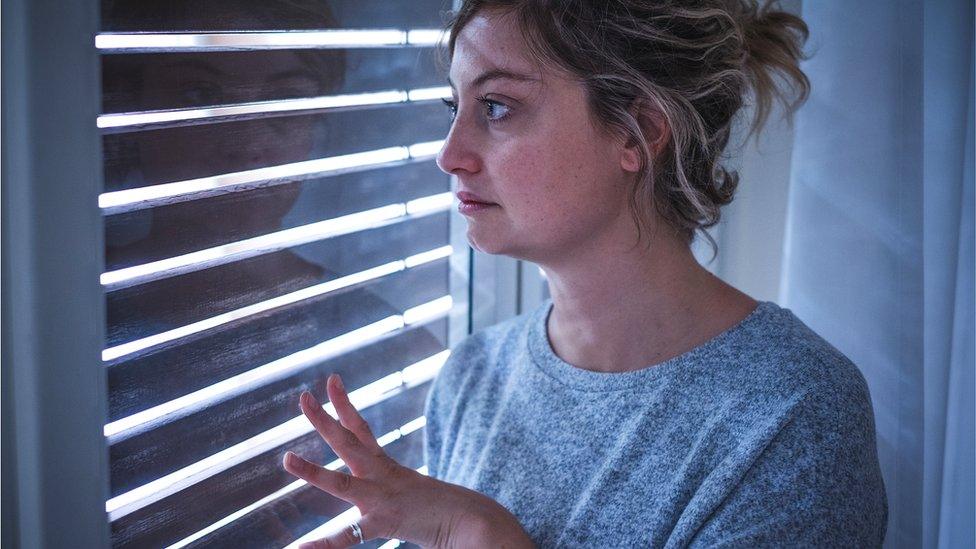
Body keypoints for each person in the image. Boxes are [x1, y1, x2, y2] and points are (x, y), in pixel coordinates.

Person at [282, 1, 889, 547]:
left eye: (496, 107)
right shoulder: (472, 379)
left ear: (638, 131)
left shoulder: (791, 416)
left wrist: (481, 534)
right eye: (454, 106)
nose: (449, 154)